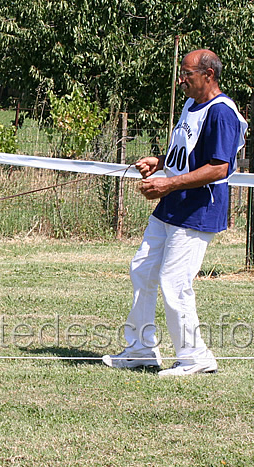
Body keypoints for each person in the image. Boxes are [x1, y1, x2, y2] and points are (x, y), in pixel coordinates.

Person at [103, 49, 248, 376]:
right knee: (142, 269)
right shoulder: (190, 105)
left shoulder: (221, 112)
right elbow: (186, 152)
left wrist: (168, 184)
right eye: (181, 73)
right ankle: (140, 350)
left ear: (208, 75)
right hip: (172, 205)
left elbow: (219, 168)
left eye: (187, 74)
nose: (180, 79)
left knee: (174, 281)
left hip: (197, 210)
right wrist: (161, 162)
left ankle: (195, 357)